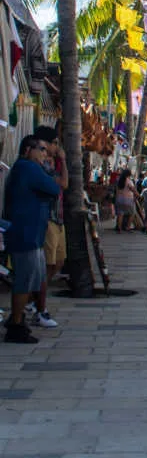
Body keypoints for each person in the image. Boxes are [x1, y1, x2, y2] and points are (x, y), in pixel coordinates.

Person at [2, 136, 61, 343]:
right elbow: (55, 188)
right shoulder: (28, 167)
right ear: (28, 149)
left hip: (31, 233)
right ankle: (16, 325)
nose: (45, 154)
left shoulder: (25, 168)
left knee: (31, 279)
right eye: (41, 150)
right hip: (25, 233)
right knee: (24, 282)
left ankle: (17, 318)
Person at [31, 125, 68, 329]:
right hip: (48, 219)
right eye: (54, 143)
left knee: (58, 262)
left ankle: (32, 299)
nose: (56, 147)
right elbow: (62, 183)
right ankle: (38, 308)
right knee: (45, 267)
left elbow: (66, 183)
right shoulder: (41, 165)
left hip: (58, 217)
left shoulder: (50, 163)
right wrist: (62, 160)